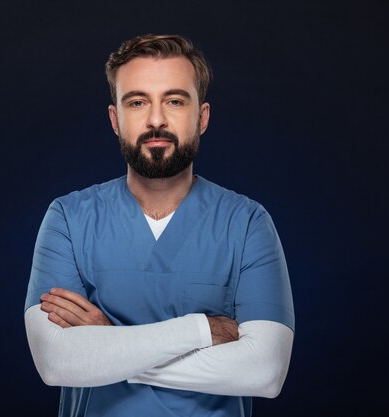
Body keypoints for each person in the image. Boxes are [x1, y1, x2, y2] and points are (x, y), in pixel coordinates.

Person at [24, 34, 295, 417]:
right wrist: (201, 331)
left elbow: (265, 372)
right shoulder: (69, 219)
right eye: (137, 102)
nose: (155, 119)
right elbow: (57, 363)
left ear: (201, 118)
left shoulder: (247, 224)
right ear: (115, 119)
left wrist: (108, 346)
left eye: (174, 101)